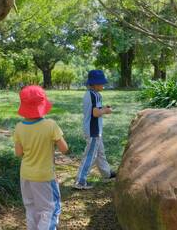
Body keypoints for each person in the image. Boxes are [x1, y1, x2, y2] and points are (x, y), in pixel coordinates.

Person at [13, 85, 69, 230]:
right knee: (49, 210)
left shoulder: (19, 127)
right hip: (45, 177)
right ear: (42, 105)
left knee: (31, 209)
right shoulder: (50, 125)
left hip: (25, 175)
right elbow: (64, 149)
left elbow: (19, 153)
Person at [74, 70, 116, 190]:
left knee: (100, 153)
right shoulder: (96, 95)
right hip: (94, 131)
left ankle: (107, 174)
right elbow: (96, 113)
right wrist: (106, 111)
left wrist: (102, 108)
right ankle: (80, 181)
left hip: (93, 130)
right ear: (95, 84)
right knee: (90, 155)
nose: (103, 85)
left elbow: (95, 109)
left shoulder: (89, 94)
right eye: (101, 83)